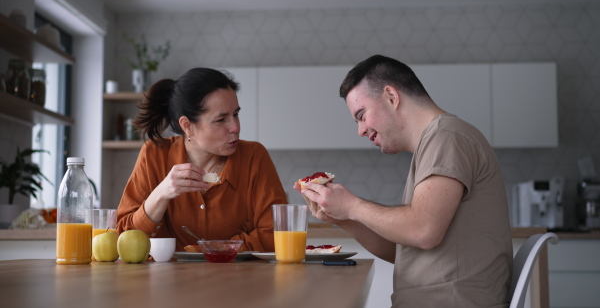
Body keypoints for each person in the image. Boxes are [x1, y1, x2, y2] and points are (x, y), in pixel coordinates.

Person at [294, 55, 513, 307]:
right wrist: (342, 217)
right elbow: (405, 250)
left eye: (362, 115)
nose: (361, 130)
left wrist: (352, 205)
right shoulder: (434, 142)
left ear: (391, 97)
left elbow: (423, 231)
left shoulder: (447, 137)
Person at [117, 68, 288, 252]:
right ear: (187, 126)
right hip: (166, 280)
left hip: (239, 279)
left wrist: (210, 250)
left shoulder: (254, 157)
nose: (235, 127)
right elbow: (123, 239)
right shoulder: (154, 154)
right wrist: (161, 194)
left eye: (236, 114)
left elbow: (277, 235)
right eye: (221, 119)